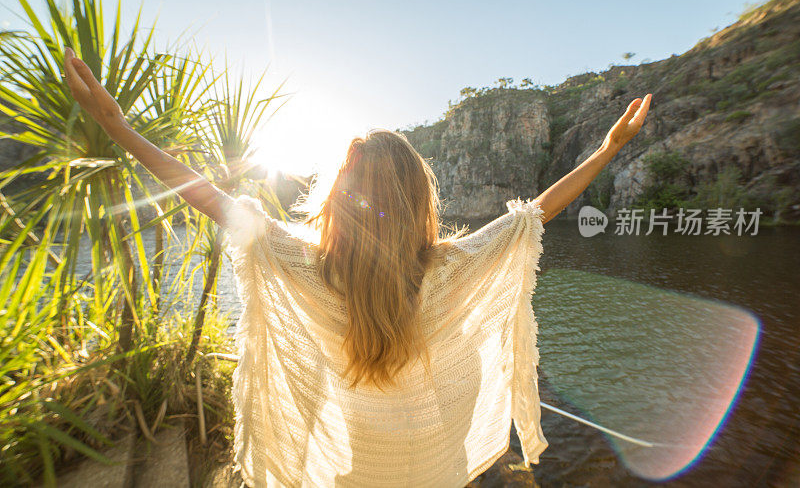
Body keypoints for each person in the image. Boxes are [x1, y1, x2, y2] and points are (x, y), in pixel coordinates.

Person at [63, 47, 651, 487]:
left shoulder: (311, 268)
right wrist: (607, 151)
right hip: (436, 471)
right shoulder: (451, 268)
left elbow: (208, 197)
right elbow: (537, 212)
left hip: (354, 471)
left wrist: (121, 129)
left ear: (337, 200)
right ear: (422, 199)